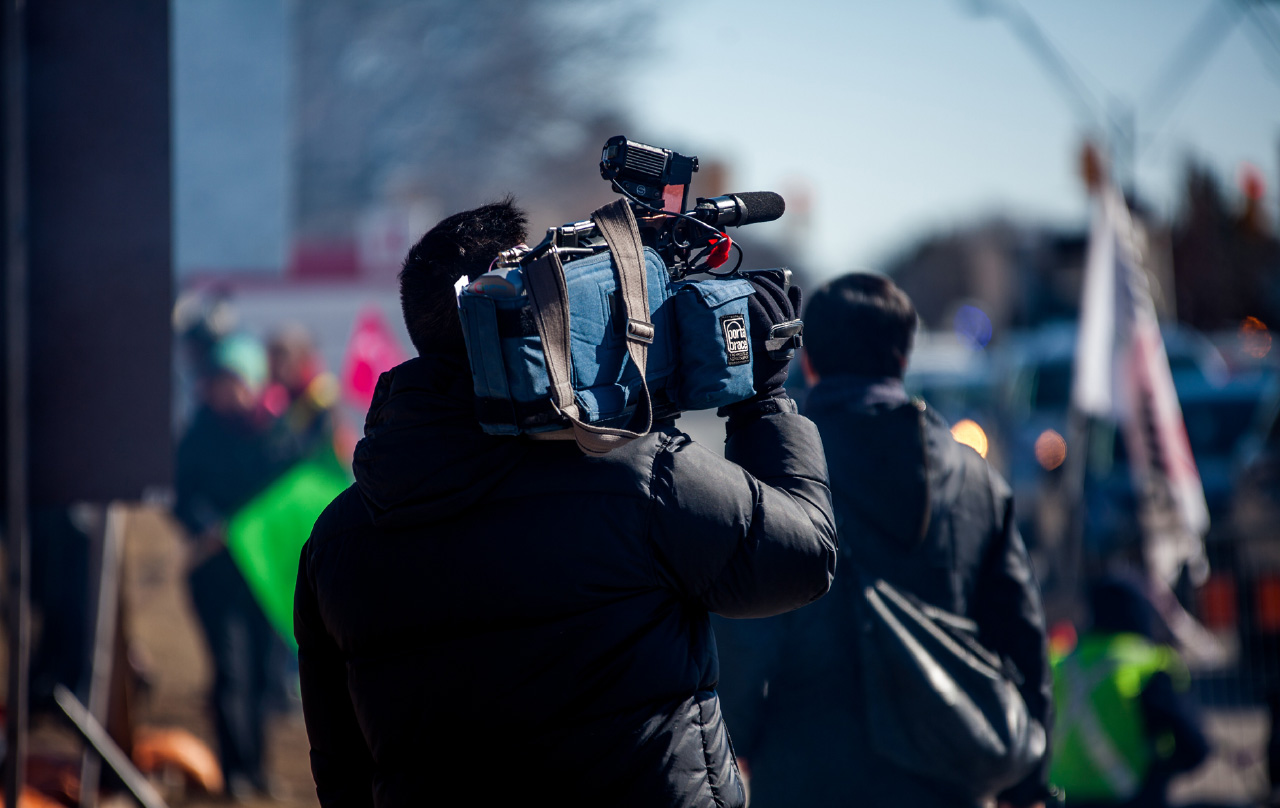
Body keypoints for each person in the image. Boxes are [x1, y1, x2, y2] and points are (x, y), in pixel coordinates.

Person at [293, 199, 838, 807]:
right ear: (521, 307)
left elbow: (340, 771)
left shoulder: (335, 540)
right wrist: (761, 402)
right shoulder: (638, 477)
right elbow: (803, 556)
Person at [713, 272, 1054, 807]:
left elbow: (745, 631)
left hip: (806, 767)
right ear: (903, 357)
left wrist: (738, 739)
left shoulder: (780, 471)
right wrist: (1028, 778)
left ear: (809, 360)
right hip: (946, 768)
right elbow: (1022, 634)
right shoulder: (976, 478)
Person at [173, 333, 293, 801]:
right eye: (219, 381)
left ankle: (257, 768)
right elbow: (182, 496)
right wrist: (207, 525)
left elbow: (288, 497)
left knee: (264, 674)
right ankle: (233, 772)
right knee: (231, 672)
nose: (226, 391)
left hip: (262, 576)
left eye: (234, 381)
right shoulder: (199, 433)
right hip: (215, 574)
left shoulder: (276, 431)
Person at [1050, 575, 1210, 808]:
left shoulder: (1060, 663)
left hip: (1064, 797)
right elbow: (1194, 746)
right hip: (1131, 796)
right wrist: (1158, 774)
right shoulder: (1148, 664)